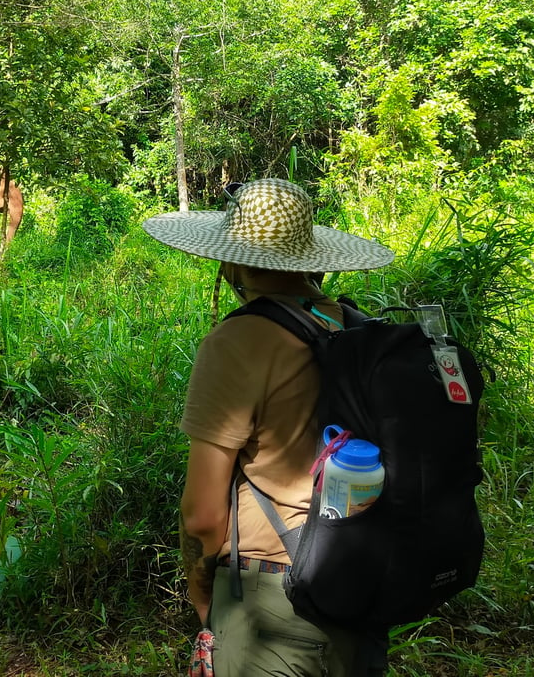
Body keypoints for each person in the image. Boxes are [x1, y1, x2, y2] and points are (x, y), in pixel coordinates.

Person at [142, 178, 395, 676]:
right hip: (363, 582)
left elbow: (202, 516)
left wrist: (206, 609)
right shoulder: (355, 326)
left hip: (276, 604)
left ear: (232, 260)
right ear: (310, 259)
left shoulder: (238, 341)